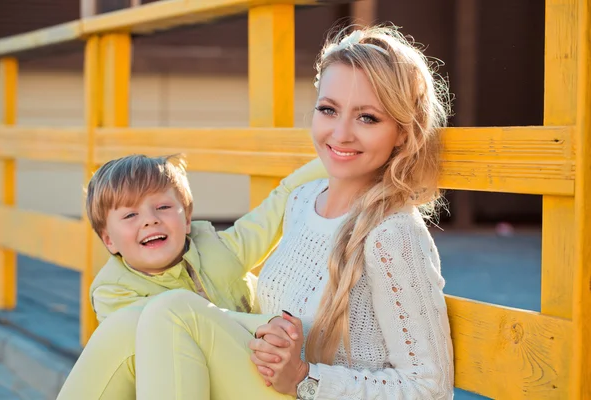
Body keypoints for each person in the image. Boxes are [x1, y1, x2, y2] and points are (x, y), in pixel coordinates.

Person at [59, 23, 454, 400]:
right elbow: (299, 182)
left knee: (172, 310)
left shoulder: (392, 234)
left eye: (368, 117)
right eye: (328, 110)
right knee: (129, 323)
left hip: (303, 391)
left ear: (403, 132)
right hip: (260, 381)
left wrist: (305, 377)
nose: (341, 133)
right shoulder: (302, 202)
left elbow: (430, 390)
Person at [85, 153, 326, 324]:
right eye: (130, 214)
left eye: (163, 206)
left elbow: (282, 198)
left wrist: (339, 159)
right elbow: (170, 335)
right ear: (109, 241)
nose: (150, 219)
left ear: (187, 220)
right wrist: (260, 326)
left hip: (257, 368)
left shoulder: (221, 249)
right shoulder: (113, 292)